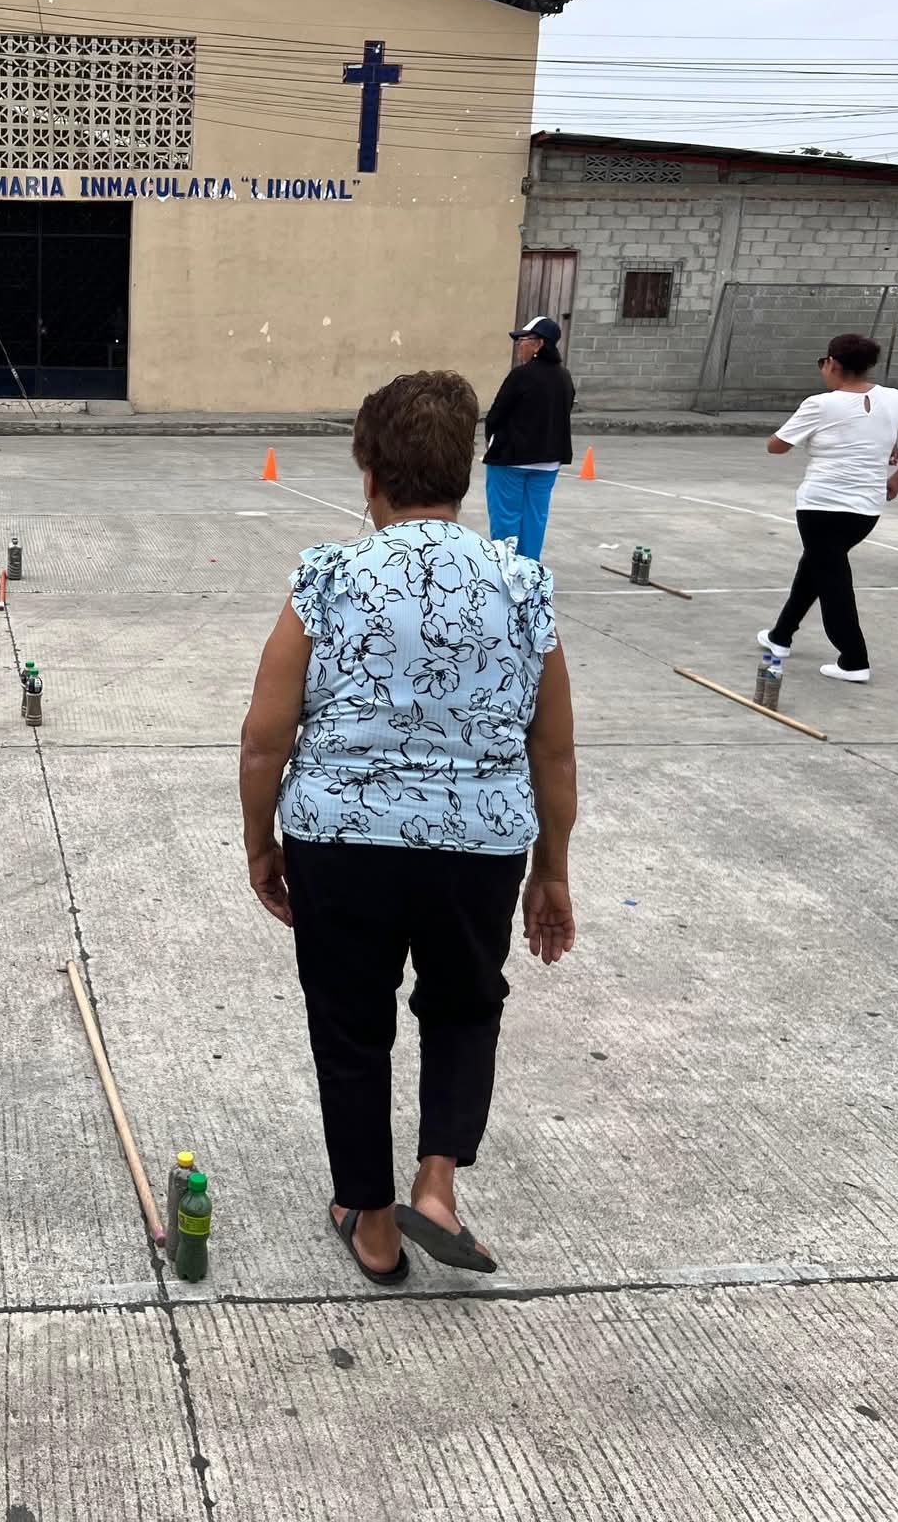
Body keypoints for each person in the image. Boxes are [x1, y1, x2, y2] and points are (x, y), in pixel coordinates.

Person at [239, 370, 578, 1286]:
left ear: (368, 472)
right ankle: (436, 1183)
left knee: (350, 1024)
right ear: (465, 471)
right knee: (465, 1005)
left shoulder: (328, 577)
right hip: (480, 841)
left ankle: (375, 1225)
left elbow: (266, 735)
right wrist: (551, 869)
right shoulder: (521, 584)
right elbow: (552, 751)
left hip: (341, 839)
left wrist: (261, 842)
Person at [757, 334, 898, 685]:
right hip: (865, 510)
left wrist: (810, 435)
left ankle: (854, 659)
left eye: (823, 363)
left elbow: (776, 446)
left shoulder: (820, 404)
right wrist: (897, 478)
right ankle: (781, 636)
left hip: (821, 507)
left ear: (834, 364)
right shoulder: (892, 398)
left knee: (833, 581)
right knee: (814, 568)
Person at [480, 315, 575, 561]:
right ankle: (530, 569)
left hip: (511, 459)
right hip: (549, 461)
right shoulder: (564, 377)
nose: (519, 346)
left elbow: (496, 414)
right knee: (535, 518)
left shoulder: (521, 375)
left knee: (506, 518)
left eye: (523, 340)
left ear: (539, 344)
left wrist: (491, 439)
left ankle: (506, 568)